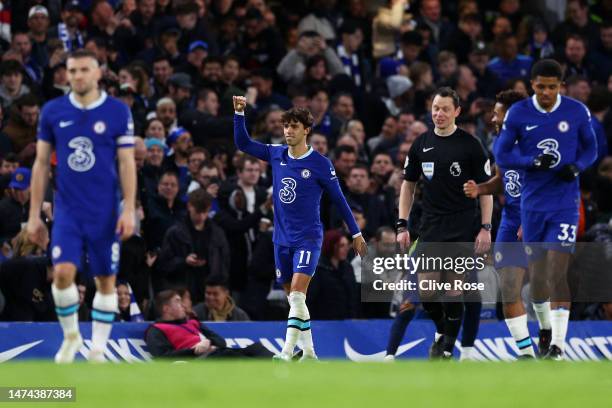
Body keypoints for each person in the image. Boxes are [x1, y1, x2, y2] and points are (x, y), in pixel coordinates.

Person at [233, 96, 367, 361]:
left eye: (293, 126)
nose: (287, 131)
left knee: (296, 295)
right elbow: (243, 143)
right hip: (281, 239)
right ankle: (309, 352)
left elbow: (340, 200)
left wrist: (356, 233)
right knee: (295, 299)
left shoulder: (320, 164)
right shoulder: (276, 153)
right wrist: (239, 114)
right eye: (285, 126)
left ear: (306, 130)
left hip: (308, 238)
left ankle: (285, 353)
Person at [26, 49, 137, 363]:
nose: (76, 76)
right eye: (72, 71)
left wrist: (128, 209)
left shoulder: (117, 112)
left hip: (105, 212)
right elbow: (40, 165)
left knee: (105, 280)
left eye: (83, 70)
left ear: (98, 73)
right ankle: (72, 337)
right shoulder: (52, 111)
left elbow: (127, 163)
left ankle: (99, 347)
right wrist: (34, 216)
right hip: (68, 212)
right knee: (61, 273)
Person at [494, 59, 598, 359]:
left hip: (565, 203)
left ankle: (557, 347)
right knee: (538, 280)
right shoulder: (519, 113)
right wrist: (529, 162)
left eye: (552, 87)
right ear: (532, 85)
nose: (547, 92)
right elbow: (502, 153)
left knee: (557, 270)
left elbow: (590, 148)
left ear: (560, 86)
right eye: (541, 87)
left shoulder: (577, 111)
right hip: (533, 205)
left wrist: (577, 167)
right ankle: (544, 328)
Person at [396, 87, 493, 359]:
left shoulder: (471, 145)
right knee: (427, 293)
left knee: (453, 290)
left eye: (445, 109)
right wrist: (402, 225)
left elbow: (485, 190)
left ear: (457, 112)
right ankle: (443, 333)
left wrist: (485, 228)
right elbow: (408, 186)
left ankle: (446, 350)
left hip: (463, 227)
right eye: (435, 108)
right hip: (431, 227)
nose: (439, 114)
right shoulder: (421, 144)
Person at [463, 89, 545, 358]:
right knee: (509, 288)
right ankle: (526, 354)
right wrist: (482, 189)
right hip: (510, 221)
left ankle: (549, 339)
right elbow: (503, 180)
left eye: (498, 113)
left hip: (537, 218)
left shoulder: (537, 141)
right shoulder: (501, 143)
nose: (493, 118)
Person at [145, 290, 272, 359]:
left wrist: (209, 343)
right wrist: (194, 350)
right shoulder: (156, 329)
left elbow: (221, 342)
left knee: (256, 347)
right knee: (229, 356)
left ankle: (283, 362)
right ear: (166, 309)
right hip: (199, 360)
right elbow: (163, 356)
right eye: (178, 302)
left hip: (216, 352)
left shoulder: (193, 322)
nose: (183, 305)